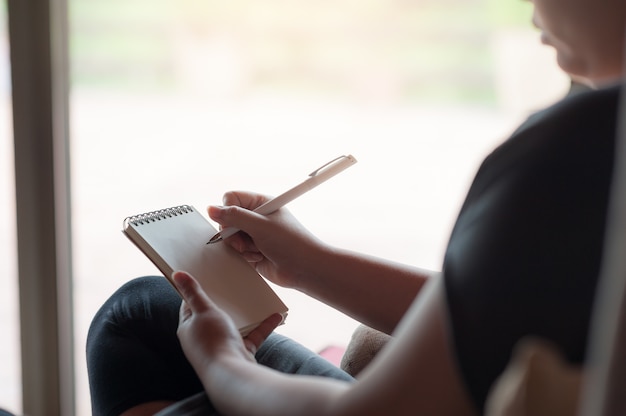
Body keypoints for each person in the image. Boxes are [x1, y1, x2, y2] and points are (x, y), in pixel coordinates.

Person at [86, 0, 626, 414]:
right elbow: (503, 311)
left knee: (131, 323)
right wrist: (309, 264)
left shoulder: (581, 151)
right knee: (146, 307)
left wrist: (222, 361)